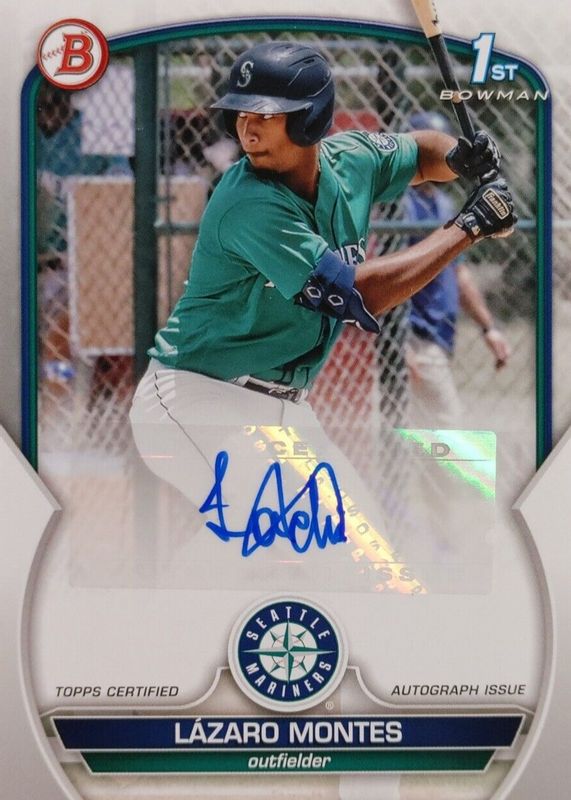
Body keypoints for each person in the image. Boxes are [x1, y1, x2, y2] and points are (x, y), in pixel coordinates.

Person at [129, 42, 515, 591]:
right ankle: (157, 620)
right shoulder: (247, 202)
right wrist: (468, 226)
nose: (247, 130)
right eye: (241, 114)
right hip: (194, 397)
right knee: (279, 520)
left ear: (309, 119)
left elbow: (420, 151)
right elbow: (361, 295)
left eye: (265, 115)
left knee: (369, 569)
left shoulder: (350, 160)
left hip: (283, 410)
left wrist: (459, 158)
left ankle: (167, 610)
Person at [403, 112, 511, 428]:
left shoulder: (444, 204)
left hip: (439, 336)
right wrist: (398, 345)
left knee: (425, 434)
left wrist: (488, 328)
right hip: (415, 336)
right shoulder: (400, 205)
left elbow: (458, 273)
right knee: (449, 431)